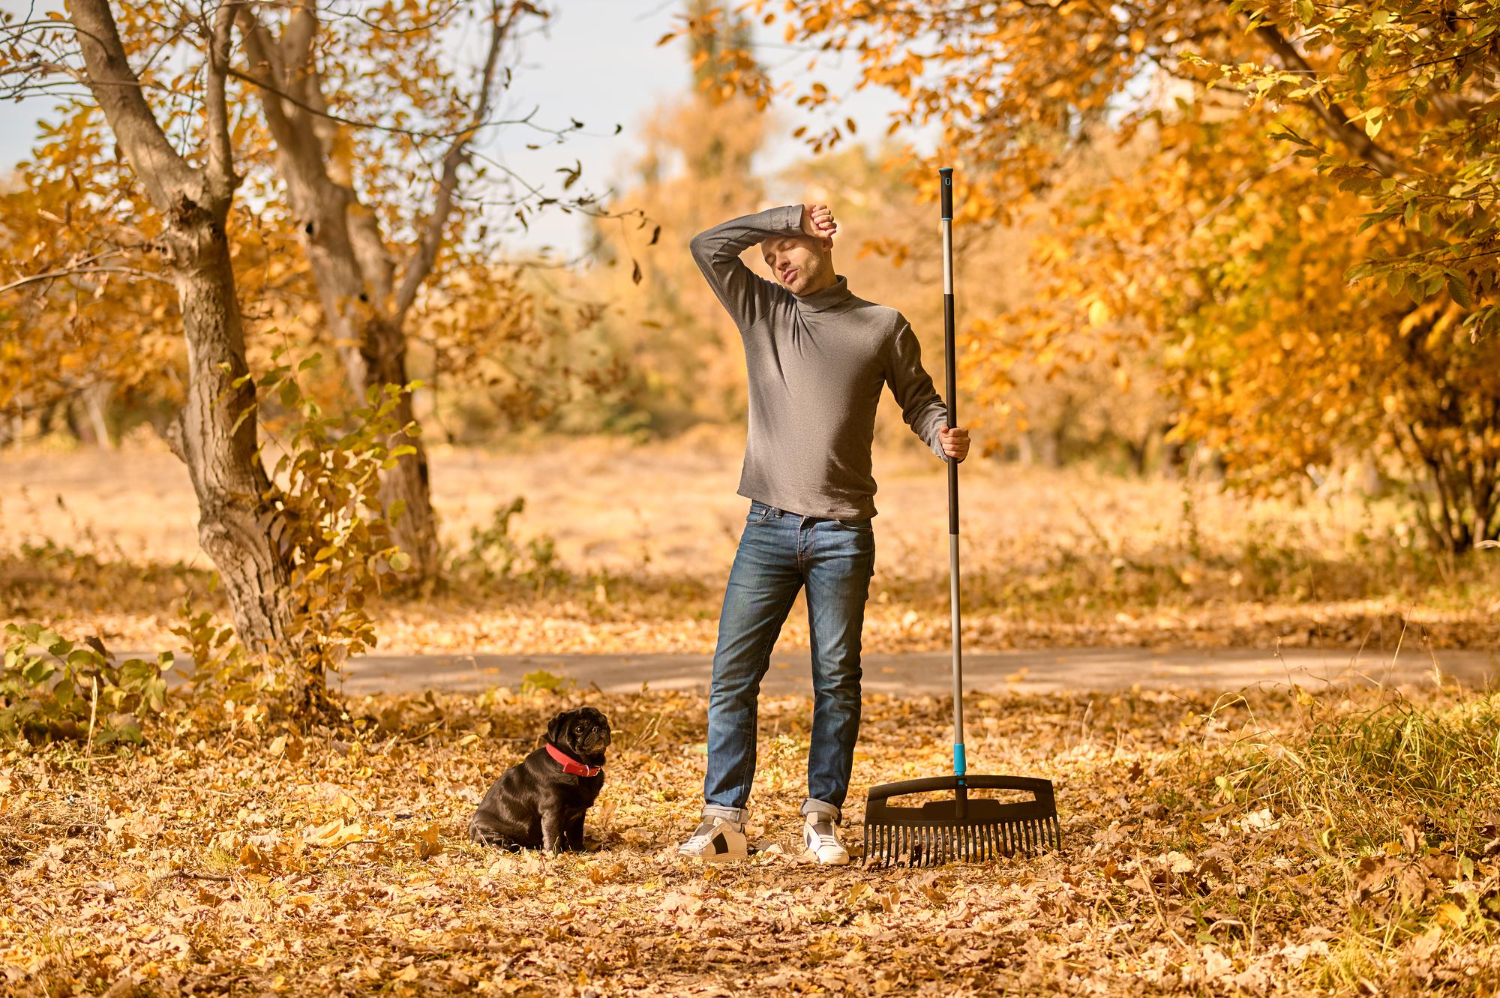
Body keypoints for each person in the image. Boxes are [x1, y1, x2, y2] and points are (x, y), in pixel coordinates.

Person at [677, 201, 969, 864]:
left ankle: (822, 817)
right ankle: (724, 820)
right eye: (768, 253)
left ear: (824, 240)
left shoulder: (881, 325)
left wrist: (939, 433)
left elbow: (918, 398)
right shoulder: (764, 311)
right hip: (767, 526)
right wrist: (782, 216)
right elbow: (706, 245)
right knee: (732, 673)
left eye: (788, 246)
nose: (777, 262)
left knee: (836, 676)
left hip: (842, 532)